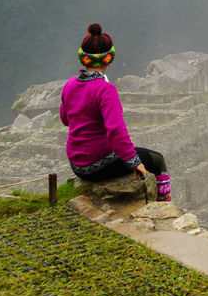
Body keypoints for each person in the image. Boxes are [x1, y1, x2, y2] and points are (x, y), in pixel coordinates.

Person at [60, 23, 172, 202]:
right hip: (98, 166)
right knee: (157, 160)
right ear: (108, 58)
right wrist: (133, 162)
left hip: (76, 164)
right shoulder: (105, 89)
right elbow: (116, 132)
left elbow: (65, 119)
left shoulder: (70, 85)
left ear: (83, 57)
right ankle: (164, 204)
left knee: (139, 154)